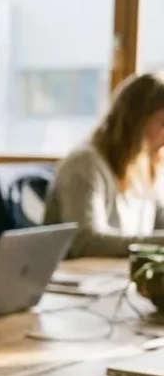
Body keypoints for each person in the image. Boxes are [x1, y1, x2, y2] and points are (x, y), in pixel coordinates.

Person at [44, 72, 164, 258]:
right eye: (163, 123)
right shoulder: (85, 163)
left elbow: (159, 224)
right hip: (77, 278)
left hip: (117, 279)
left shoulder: (146, 167)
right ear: (135, 121)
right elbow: (85, 242)